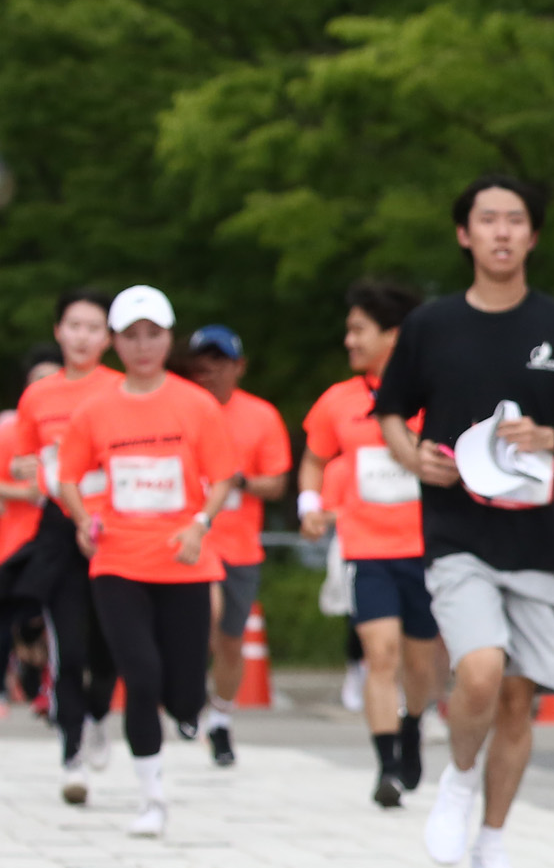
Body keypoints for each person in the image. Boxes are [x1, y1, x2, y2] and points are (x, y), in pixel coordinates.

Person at [374, 176, 554, 868]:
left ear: (533, 236)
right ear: (465, 234)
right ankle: (458, 777)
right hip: (458, 532)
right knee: (480, 669)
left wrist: (551, 436)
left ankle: (492, 844)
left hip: (541, 542)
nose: (502, 233)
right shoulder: (431, 324)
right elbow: (391, 410)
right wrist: (410, 454)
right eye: (487, 220)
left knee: (519, 699)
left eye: (515, 221)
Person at [58, 286, 238, 836]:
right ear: (114, 342)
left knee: (181, 693)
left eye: (152, 335)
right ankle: (152, 795)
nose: (141, 347)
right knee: (140, 674)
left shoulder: (195, 404)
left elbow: (223, 474)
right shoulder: (95, 410)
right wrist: (83, 519)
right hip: (117, 560)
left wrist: (199, 524)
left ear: (168, 339)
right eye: (130, 336)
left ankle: (190, 709)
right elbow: (68, 477)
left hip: (183, 558)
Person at [0, 289, 122, 798]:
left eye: (94, 328)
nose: (83, 337)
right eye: (74, 326)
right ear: (59, 330)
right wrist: (33, 470)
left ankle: (100, 713)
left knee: (108, 651)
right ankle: (72, 758)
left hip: (113, 532)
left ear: (109, 337)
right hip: (60, 531)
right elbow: (23, 466)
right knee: (70, 649)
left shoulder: (122, 390)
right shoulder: (38, 397)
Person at [301, 281, 440, 808]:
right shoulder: (338, 401)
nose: (349, 340)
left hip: (426, 551)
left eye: (359, 330)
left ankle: (412, 724)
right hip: (367, 550)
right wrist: (308, 507)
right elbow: (314, 458)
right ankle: (385, 766)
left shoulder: (434, 394)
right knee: (379, 656)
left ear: (394, 336)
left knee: (420, 664)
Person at [182, 324, 292, 768]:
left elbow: (277, 482)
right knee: (198, 619)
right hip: (190, 540)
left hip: (239, 545)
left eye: (219, 362)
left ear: (238, 367)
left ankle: (221, 718)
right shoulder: (179, 409)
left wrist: (237, 479)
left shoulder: (261, 416)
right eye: (201, 362)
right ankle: (186, 696)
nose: (209, 371)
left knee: (230, 640)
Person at [0, 347, 62, 682]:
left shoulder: (84, 426)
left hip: (69, 544)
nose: (44, 388)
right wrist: (28, 492)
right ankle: (17, 681)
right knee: (21, 619)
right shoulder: (9, 433)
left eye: (52, 380)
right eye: (36, 381)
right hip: (20, 545)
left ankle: (54, 689)